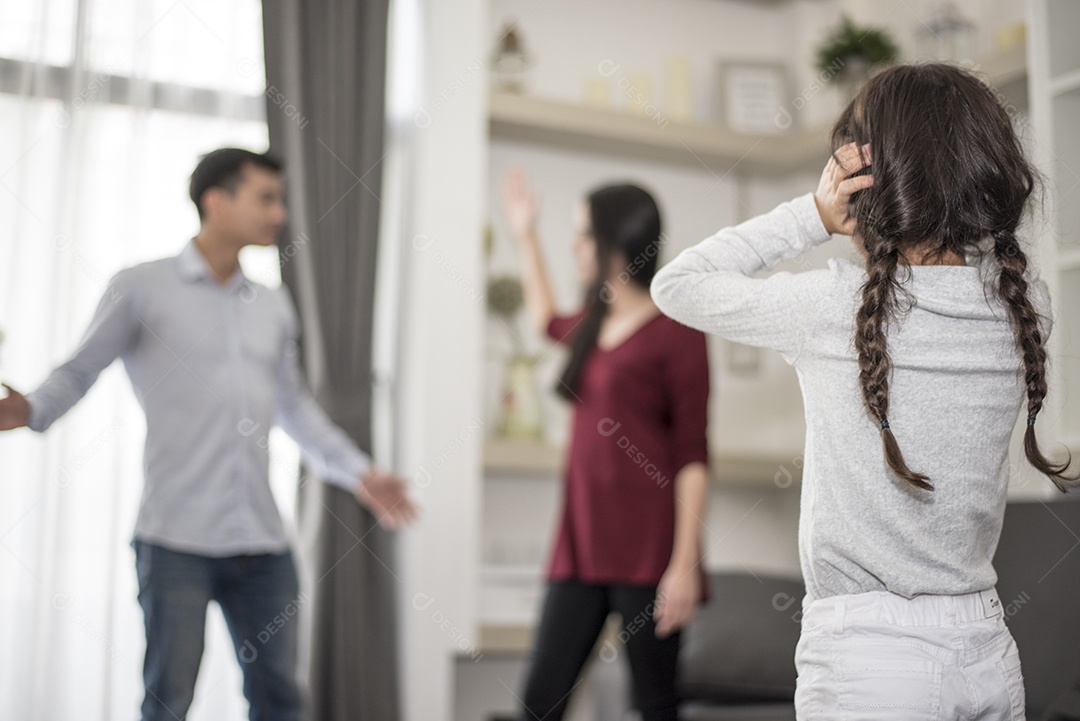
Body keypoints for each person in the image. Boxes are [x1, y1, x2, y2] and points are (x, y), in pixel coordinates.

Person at [651, 62, 1078, 719]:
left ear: (870, 179)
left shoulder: (834, 306)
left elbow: (677, 283)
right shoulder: (1026, 307)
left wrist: (813, 216)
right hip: (987, 649)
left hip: (869, 661)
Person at [0, 148, 416, 721]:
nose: (281, 214)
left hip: (264, 547)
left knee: (282, 702)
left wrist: (359, 473)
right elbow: (79, 370)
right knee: (169, 702)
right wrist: (31, 410)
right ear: (216, 203)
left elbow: (295, 408)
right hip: (175, 542)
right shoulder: (141, 287)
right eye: (266, 199)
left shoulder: (272, 304)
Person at [502, 171, 709, 721]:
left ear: (615, 243)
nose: (575, 247)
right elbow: (546, 318)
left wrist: (684, 564)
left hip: (651, 553)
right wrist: (525, 236)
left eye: (581, 235)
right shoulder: (592, 323)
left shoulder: (677, 331)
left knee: (656, 707)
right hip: (580, 545)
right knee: (540, 703)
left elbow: (693, 454)